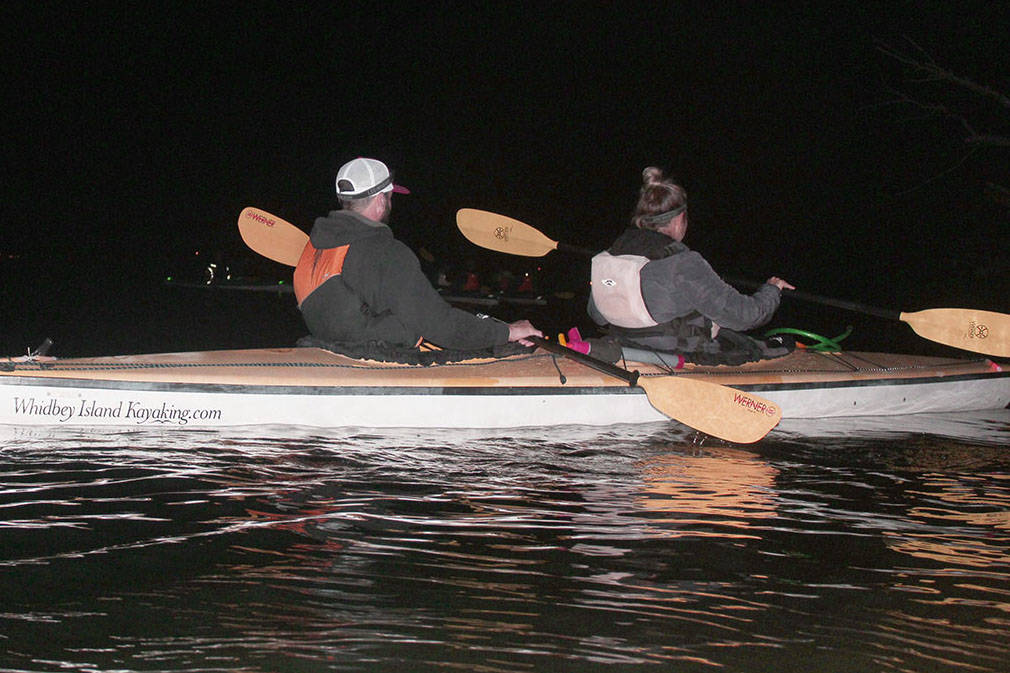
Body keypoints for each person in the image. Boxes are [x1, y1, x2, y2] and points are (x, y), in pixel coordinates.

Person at [293, 157, 542, 351]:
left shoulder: (316, 247)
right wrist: (507, 332)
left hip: (331, 349)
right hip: (379, 360)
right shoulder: (384, 252)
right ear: (381, 200)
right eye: (390, 197)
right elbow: (440, 326)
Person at [582, 166, 795, 365]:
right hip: (683, 356)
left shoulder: (611, 255)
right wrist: (772, 289)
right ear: (679, 219)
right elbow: (746, 316)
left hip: (627, 347)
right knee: (778, 345)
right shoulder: (684, 263)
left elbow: (597, 315)